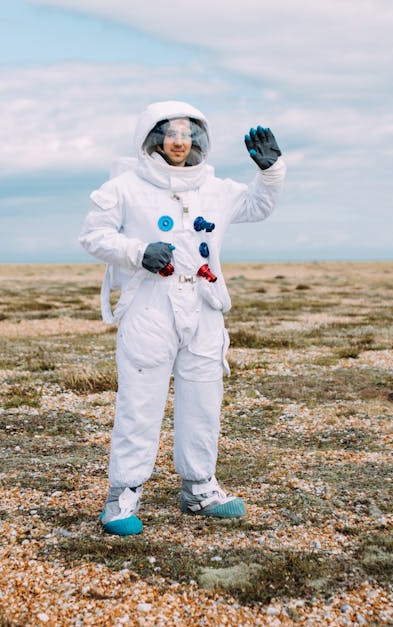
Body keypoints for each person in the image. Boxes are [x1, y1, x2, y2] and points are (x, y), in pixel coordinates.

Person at [78, 100, 285, 536]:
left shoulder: (216, 189)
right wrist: (137, 253)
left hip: (204, 306)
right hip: (150, 307)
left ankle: (199, 486)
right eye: (169, 131)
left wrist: (271, 172)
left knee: (203, 400)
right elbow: (93, 234)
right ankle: (123, 495)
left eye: (187, 131)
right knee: (139, 400)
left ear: (198, 138)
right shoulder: (125, 187)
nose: (178, 140)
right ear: (151, 136)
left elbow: (258, 206)